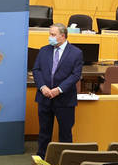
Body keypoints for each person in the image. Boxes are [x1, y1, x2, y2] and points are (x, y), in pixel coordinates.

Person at [31, 23, 83, 157]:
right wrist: (43, 87)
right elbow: (36, 70)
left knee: (65, 133)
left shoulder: (76, 53)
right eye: (50, 34)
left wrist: (58, 90)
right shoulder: (43, 50)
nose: (50, 37)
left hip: (64, 100)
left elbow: (75, 75)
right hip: (45, 97)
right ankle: (41, 159)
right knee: (44, 132)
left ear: (63, 36)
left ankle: (65, 160)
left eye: (53, 35)